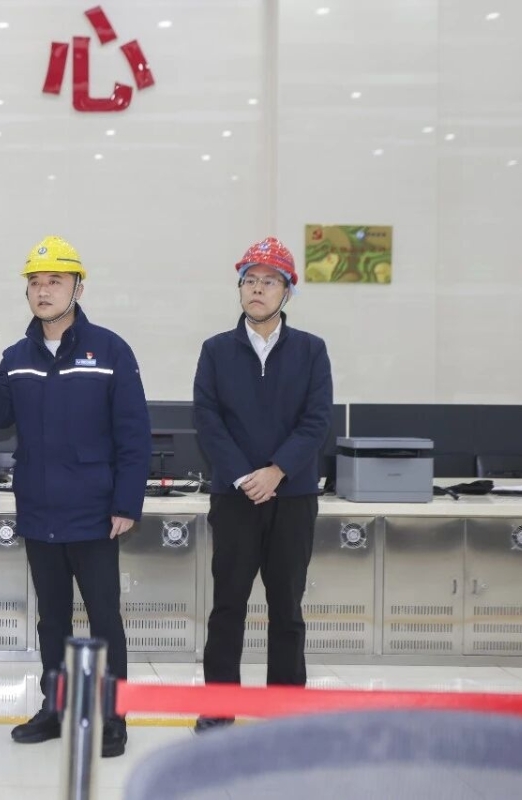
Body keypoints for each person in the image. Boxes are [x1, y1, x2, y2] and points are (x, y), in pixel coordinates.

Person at [0, 235, 152, 758]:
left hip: (95, 513)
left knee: (104, 617)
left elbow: (133, 433)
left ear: (78, 288)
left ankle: (112, 715)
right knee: (51, 618)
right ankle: (55, 707)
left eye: (55, 281)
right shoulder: (16, 357)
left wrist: (126, 503)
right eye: (35, 282)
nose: (43, 291)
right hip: (40, 509)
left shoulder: (110, 351)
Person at [192, 236, 332, 732]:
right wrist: (244, 476)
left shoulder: (311, 351)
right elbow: (208, 420)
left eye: (269, 282)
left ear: (287, 291)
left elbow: (316, 420)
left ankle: (285, 714)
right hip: (234, 498)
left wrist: (277, 471)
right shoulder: (216, 351)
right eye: (249, 281)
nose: (257, 289)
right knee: (228, 605)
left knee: (287, 608)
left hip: (293, 497)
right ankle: (218, 708)